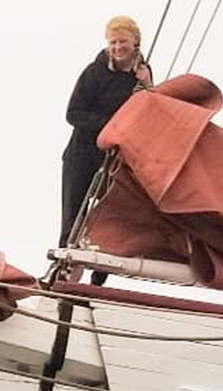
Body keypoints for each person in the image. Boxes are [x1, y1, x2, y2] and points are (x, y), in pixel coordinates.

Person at [60, 15, 154, 250]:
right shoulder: (94, 73)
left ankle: (99, 275)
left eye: (123, 42)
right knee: (73, 215)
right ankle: (64, 263)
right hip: (82, 153)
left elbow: (148, 113)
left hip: (114, 156)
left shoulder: (141, 74)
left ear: (135, 43)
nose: (117, 47)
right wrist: (111, 125)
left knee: (112, 217)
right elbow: (73, 113)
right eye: (113, 42)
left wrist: (150, 86)